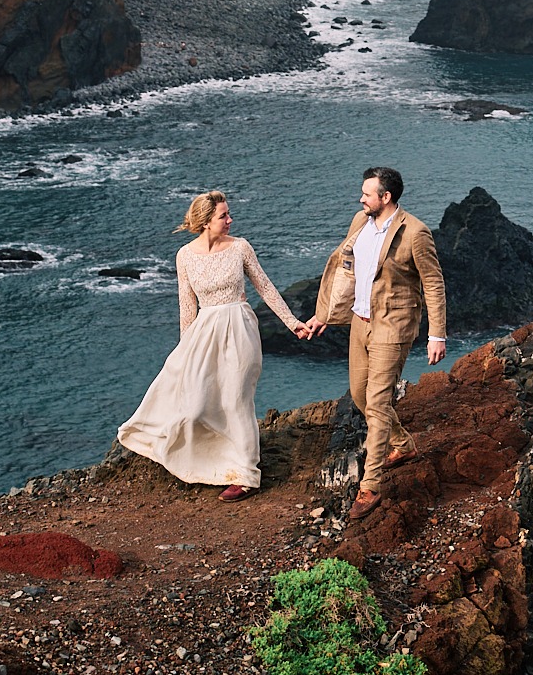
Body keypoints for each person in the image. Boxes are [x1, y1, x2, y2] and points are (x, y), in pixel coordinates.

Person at [117, 190, 314, 502]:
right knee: (195, 404)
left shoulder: (240, 248)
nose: (230, 219)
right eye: (224, 215)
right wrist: (185, 348)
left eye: (228, 213)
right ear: (206, 221)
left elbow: (265, 287)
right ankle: (213, 464)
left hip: (240, 327)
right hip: (204, 331)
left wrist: (292, 323)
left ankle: (247, 475)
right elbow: (187, 305)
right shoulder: (184, 255)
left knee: (237, 400)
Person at [307, 167, 447, 520]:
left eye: (367, 194)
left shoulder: (415, 233)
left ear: (386, 197)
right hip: (359, 322)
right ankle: (403, 445)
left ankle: (370, 487)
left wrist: (437, 335)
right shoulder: (360, 221)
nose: (361, 199)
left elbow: (433, 284)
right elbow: (344, 270)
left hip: (393, 327)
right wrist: (324, 314)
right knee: (359, 395)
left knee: (378, 402)